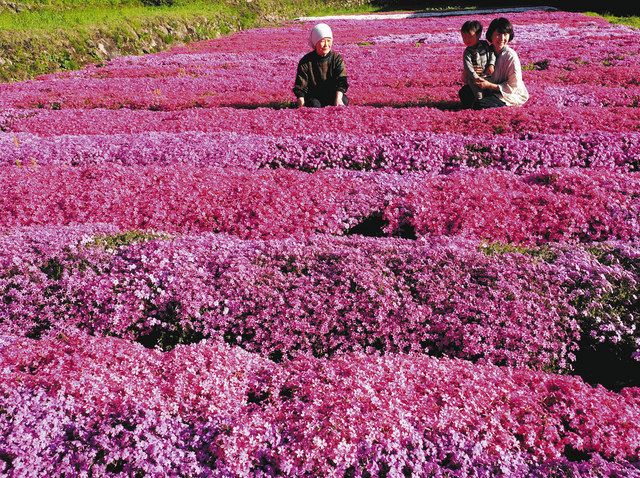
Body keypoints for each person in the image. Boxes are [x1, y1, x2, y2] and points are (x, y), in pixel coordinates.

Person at [472, 17, 529, 109]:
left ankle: (486, 103)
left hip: (508, 94)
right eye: (498, 34)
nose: (502, 38)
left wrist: (489, 85)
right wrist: (473, 72)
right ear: (491, 35)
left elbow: (513, 86)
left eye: (506, 34)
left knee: (479, 105)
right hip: (489, 89)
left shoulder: (510, 56)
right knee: (464, 92)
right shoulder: (484, 51)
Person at [293, 23, 349, 108]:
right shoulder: (306, 61)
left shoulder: (336, 59)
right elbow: (300, 84)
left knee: (343, 101)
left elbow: (341, 80)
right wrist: (301, 99)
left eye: (329, 40)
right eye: (322, 41)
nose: (326, 45)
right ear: (315, 42)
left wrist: (338, 98)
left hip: (332, 95)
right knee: (314, 105)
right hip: (314, 96)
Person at [458, 20, 495, 109]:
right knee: (478, 92)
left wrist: (491, 64)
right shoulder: (467, 52)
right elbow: (468, 67)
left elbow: (492, 54)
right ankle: (479, 103)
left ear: (478, 35)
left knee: (490, 91)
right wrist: (475, 77)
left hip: (488, 76)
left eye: (470, 36)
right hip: (474, 78)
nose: (466, 40)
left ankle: (484, 103)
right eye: (464, 37)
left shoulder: (485, 45)